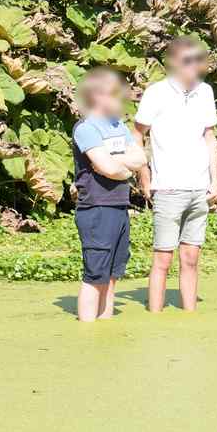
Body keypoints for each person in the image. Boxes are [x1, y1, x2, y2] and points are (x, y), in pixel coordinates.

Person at [135, 37, 217, 313]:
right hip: (168, 188)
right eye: (187, 61)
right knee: (163, 258)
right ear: (172, 63)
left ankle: (189, 313)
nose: (194, 66)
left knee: (191, 257)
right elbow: (137, 135)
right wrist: (143, 175)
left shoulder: (205, 92)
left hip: (199, 190)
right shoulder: (156, 93)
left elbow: (210, 137)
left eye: (199, 60)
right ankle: (155, 314)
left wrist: (215, 181)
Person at [71, 67, 149, 323]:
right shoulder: (86, 128)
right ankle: (87, 330)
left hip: (119, 207)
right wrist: (120, 165)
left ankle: (106, 324)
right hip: (96, 209)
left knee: (112, 276)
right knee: (95, 277)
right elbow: (108, 168)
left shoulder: (118, 126)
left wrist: (117, 163)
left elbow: (140, 158)